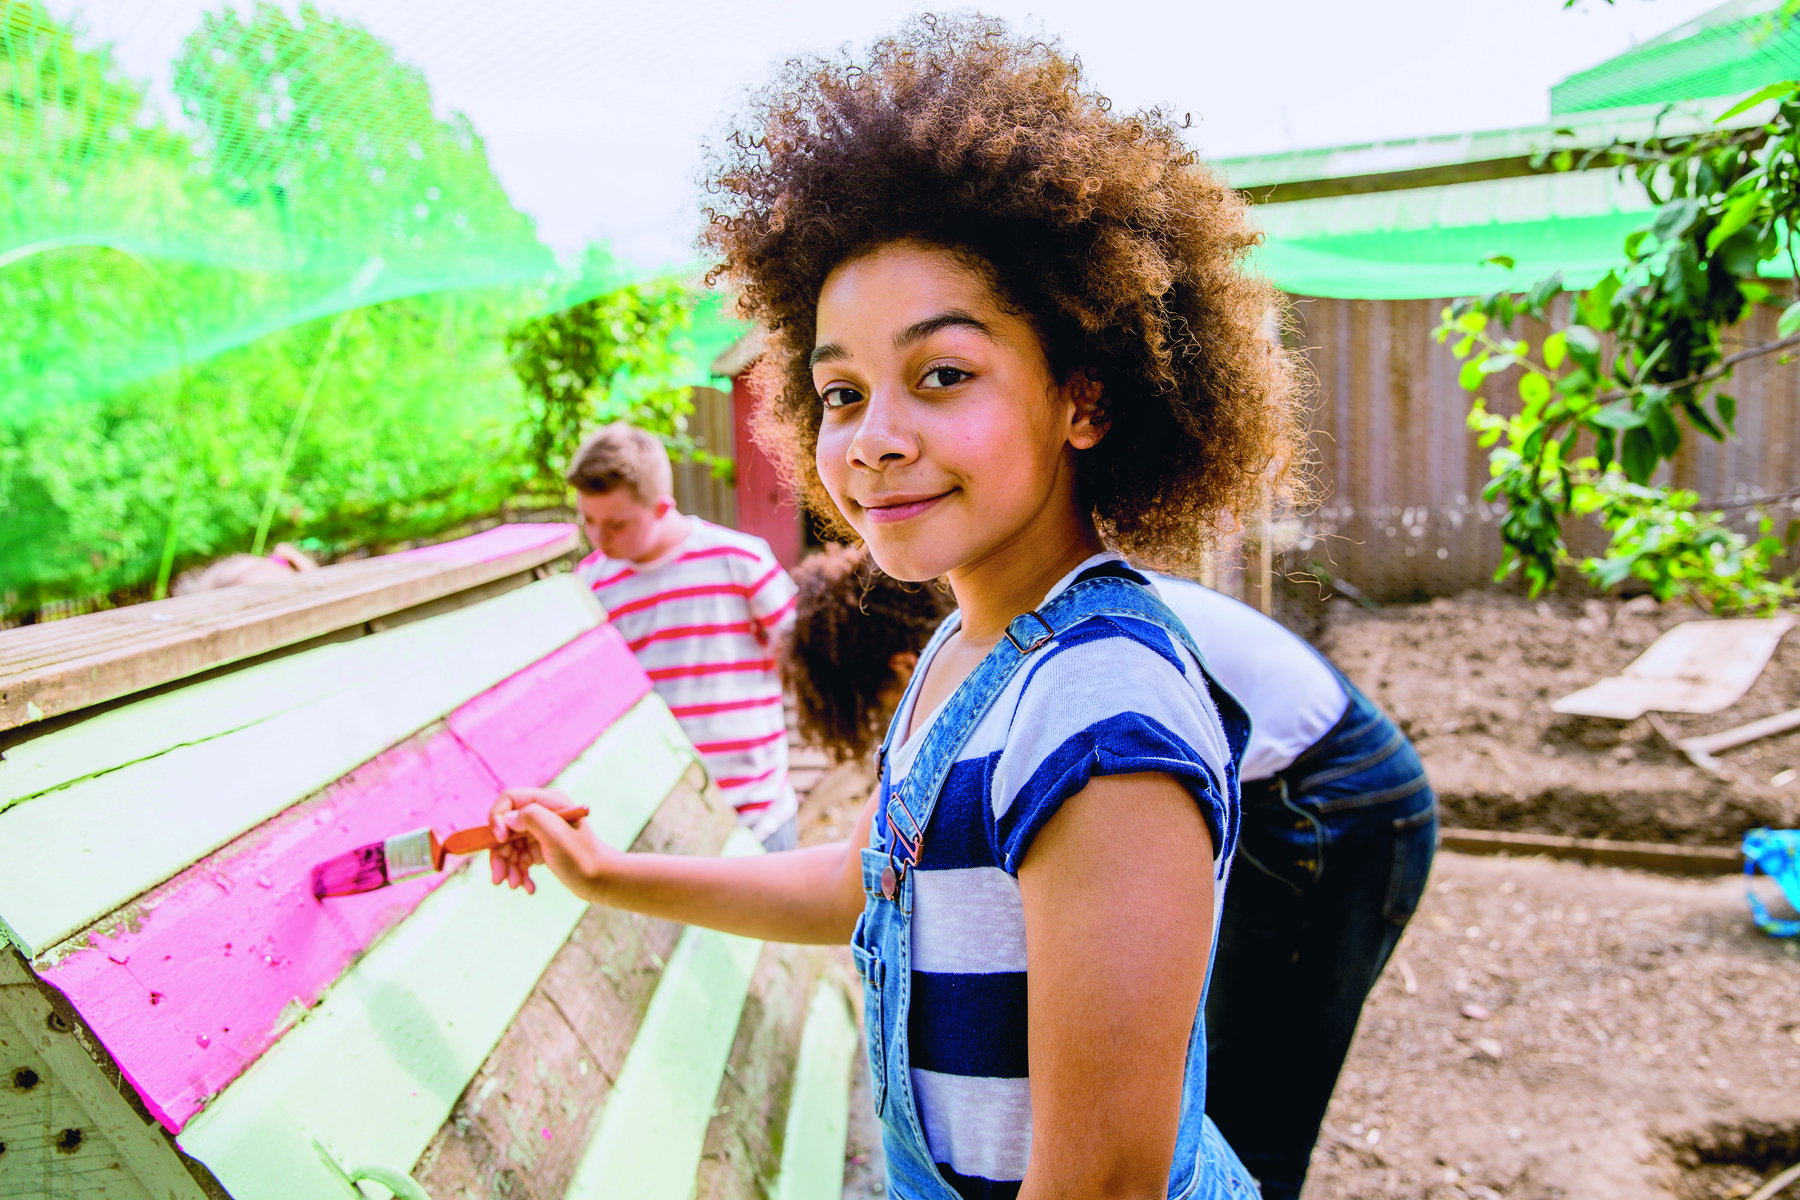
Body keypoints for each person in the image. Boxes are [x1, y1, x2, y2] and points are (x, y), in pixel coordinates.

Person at [486, 16, 1304, 1200]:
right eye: (840, 390)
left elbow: (1104, 1186)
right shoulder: (972, 655)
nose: (873, 440)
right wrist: (613, 875)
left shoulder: (1100, 715)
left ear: (1085, 398)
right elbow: (881, 885)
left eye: (943, 375)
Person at [778, 546, 1436, 1200]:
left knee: (1246, 1102)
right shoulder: (988, 643)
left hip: (1330, 792)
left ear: (896, 665)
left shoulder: (1084, 685)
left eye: (877, 707)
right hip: (1279, 774)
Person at [567, 423, 801, 851]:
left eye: (616, 525)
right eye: (589, 521)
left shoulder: (740, 560)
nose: (598, 538)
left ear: (661, 508)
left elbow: (804, 659)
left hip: (756, 814)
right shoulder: (590, 585)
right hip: (660, 819)